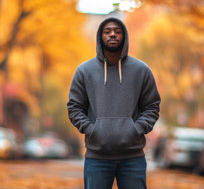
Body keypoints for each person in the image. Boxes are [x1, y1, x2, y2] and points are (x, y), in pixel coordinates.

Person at [67, 17, 161, 189]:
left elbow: (152, 106)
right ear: (100, 36)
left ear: (124, 37)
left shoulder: (141, 70)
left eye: (117, 31)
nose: (112, 35)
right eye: (107, 31)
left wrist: (136, 129)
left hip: (133, 157)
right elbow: (74, 107)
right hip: (97, 157)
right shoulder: (84, 71)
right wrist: (92, 129)